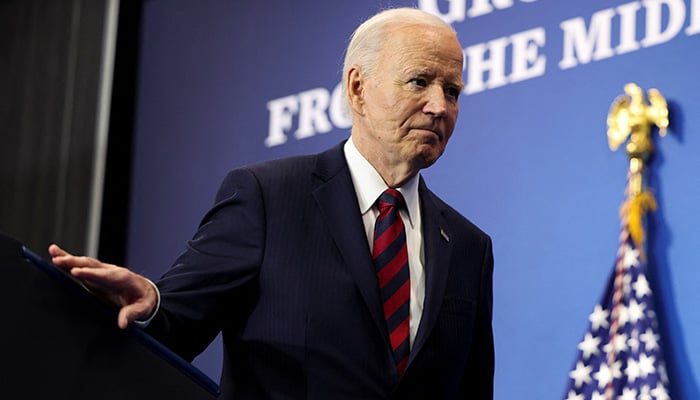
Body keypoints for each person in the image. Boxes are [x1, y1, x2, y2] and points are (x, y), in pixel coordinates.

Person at [50, 7, 494, 399]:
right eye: (420, 81)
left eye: (452, 91)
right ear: (358, 87)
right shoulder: (267, 197)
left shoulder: (468, 247)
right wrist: (152, 306)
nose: (439, 105)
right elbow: (175, 325)